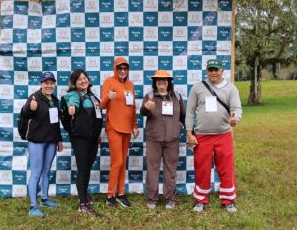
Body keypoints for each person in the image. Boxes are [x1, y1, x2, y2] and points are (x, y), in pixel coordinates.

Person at [185, 59, 242, 213]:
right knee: (202, 169)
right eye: (210, 70)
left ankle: (228, 200)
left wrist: (235, 118)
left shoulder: (231, 88)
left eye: (216, 70)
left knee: (226, 168)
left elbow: (236, 108)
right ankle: (200, 200)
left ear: (222, 71)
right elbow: (189, 111)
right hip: (202, 136)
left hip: (223, 135)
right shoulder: (198, 87)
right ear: (207, 71)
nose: (213, 73)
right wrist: (189, 133)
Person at [140, 70, 185, 210]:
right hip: (154, 138)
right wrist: (145, 107)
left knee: (170, 169)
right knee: (152, 169)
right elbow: (143, 112)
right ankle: (152, 199)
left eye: (164, 80)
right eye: (158, 80)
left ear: (169, 82)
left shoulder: (177, 96)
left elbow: (183, 116)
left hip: (172, 139)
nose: (161, 82)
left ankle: (170, 198)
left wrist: (190, 132)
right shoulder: (149, 96)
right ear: (155, 82)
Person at [21, 71, 63, 218]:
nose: (49, 85)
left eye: (52, 83)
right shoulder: (34, 97)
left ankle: (44, 199)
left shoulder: (55, 100)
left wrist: (59, 139)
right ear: (41, 84)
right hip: (37, 141)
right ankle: (33, 206)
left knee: (46, 171)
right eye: (46, 83)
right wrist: (29, 108)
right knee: (36, 173)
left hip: (51, 141)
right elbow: (24, 114)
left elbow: (56, 122)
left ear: (54, 85)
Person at [101, 57, 139, 208]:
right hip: (113, 127)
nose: (122, 71)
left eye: (125, 68)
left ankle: (121, 193)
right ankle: (110, 195)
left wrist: (134, 125)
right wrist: (107, 98)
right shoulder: (109, 82)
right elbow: (102, 105)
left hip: (127, 128)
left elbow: (133, 107)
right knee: (117, 162)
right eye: (119, 68)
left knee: (123, 162)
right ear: (115, 69)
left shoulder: (130, 85)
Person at [64, 69, 103, 216]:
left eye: (85, 78)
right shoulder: (73, 95)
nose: (83, 81)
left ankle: (85, 196)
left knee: (87, 167)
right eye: (79, 79)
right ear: (74, 83)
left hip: (93, 138)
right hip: (81, 138)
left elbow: (96, 117)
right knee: (82, 169)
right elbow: (72, 103)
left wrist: (98, 134)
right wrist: (72, 108)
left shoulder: (91, 96)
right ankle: (82, 204)